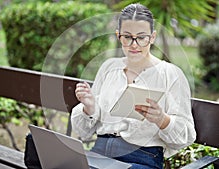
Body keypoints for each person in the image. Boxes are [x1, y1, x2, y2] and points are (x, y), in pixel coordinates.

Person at [71, 3, 196, 169]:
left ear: (152, 37)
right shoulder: (109, 68)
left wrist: (162, 119)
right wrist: (89, 108)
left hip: (141, 159)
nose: (134, 44)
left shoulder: (171, 74)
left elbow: (186, 136)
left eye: (142, 37)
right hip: (100, 153)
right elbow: (84, 132)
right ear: (118, 36)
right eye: (127, 37)